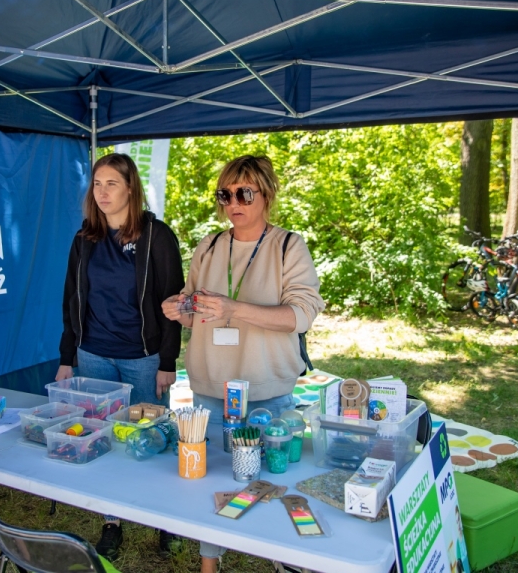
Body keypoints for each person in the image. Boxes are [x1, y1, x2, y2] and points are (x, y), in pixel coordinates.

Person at [162, 155, 324, 573]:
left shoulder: (288, 246)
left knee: (274, 480)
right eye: (225, 194)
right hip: (211, 388)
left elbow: (301, 315)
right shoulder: (210, 245)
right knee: (209, 482)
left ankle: (283, 557)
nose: (233, 203)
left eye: (244, 193)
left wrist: (234, 308)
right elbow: (194, 308)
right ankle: (209, 562)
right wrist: (179, 308)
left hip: (266, 388)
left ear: (266, 194)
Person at [57, 153, 184, 560]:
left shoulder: (156, 236)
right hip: (94, 354)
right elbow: (71, 300)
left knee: (153, 438)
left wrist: (168, 361)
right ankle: (112, 521)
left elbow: (174, 302)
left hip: (143, 358)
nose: (103, 191)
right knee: (106, 439)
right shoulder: (84, 238)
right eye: (97, 184)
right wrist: (67, 356)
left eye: (112, 183)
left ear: (131, 188)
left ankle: (165, 519)